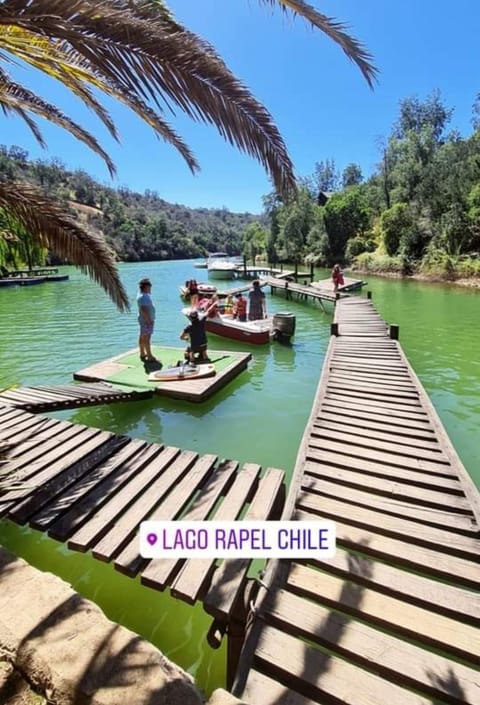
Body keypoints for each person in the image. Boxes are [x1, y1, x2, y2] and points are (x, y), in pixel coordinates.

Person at [137, 277, 158, 362]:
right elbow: (144, 309)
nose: (150, 289)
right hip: (146, 320)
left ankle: (142, 353)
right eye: (149, 287)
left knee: (142, 336)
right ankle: (149, 356)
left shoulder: (141, 295)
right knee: (147, 338)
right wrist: (149, 321)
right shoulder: (144, 297)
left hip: (143, 319)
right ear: (146, 287)